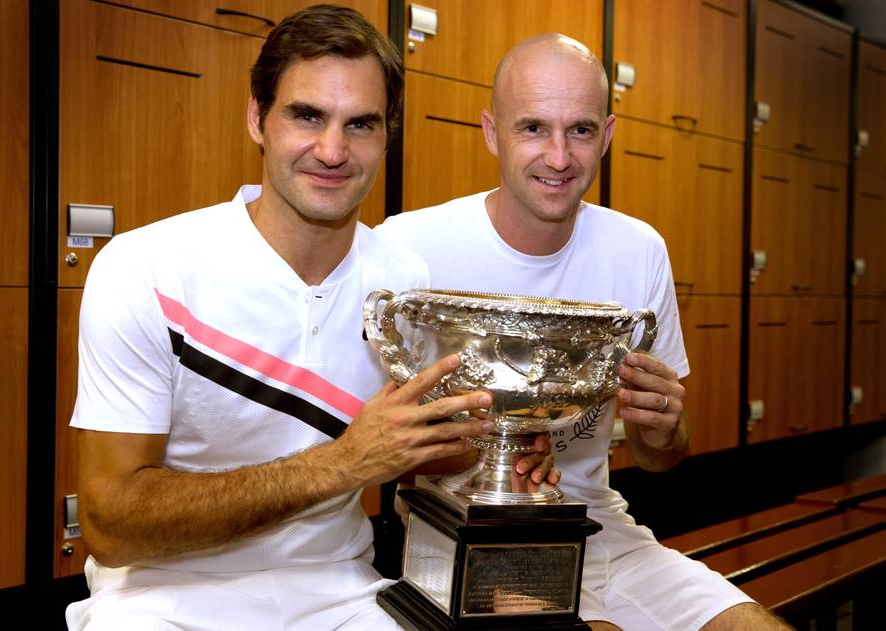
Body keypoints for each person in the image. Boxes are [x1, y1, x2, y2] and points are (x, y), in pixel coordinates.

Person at [65, 6, 545, 629]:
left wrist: (494, 449)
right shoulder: (145, 269)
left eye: (361, 124)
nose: (333, 150)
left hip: (340, 592)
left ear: (386, 137)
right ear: (256, 118)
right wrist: (343, 464)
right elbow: (111, 524)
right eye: (307, 115)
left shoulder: (406, 284)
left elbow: (410, 449)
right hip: (163, 597)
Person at [375, 34, 791, 630]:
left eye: (581, 130)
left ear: (609, 134)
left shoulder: (639, 250)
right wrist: (500, 446)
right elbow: (379, 450)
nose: (559, 157)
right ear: (492, 132)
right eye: (533, 129)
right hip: (469, 532)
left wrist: (662, 429)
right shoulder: (411, 248)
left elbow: (663, 457)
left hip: (601, 526)